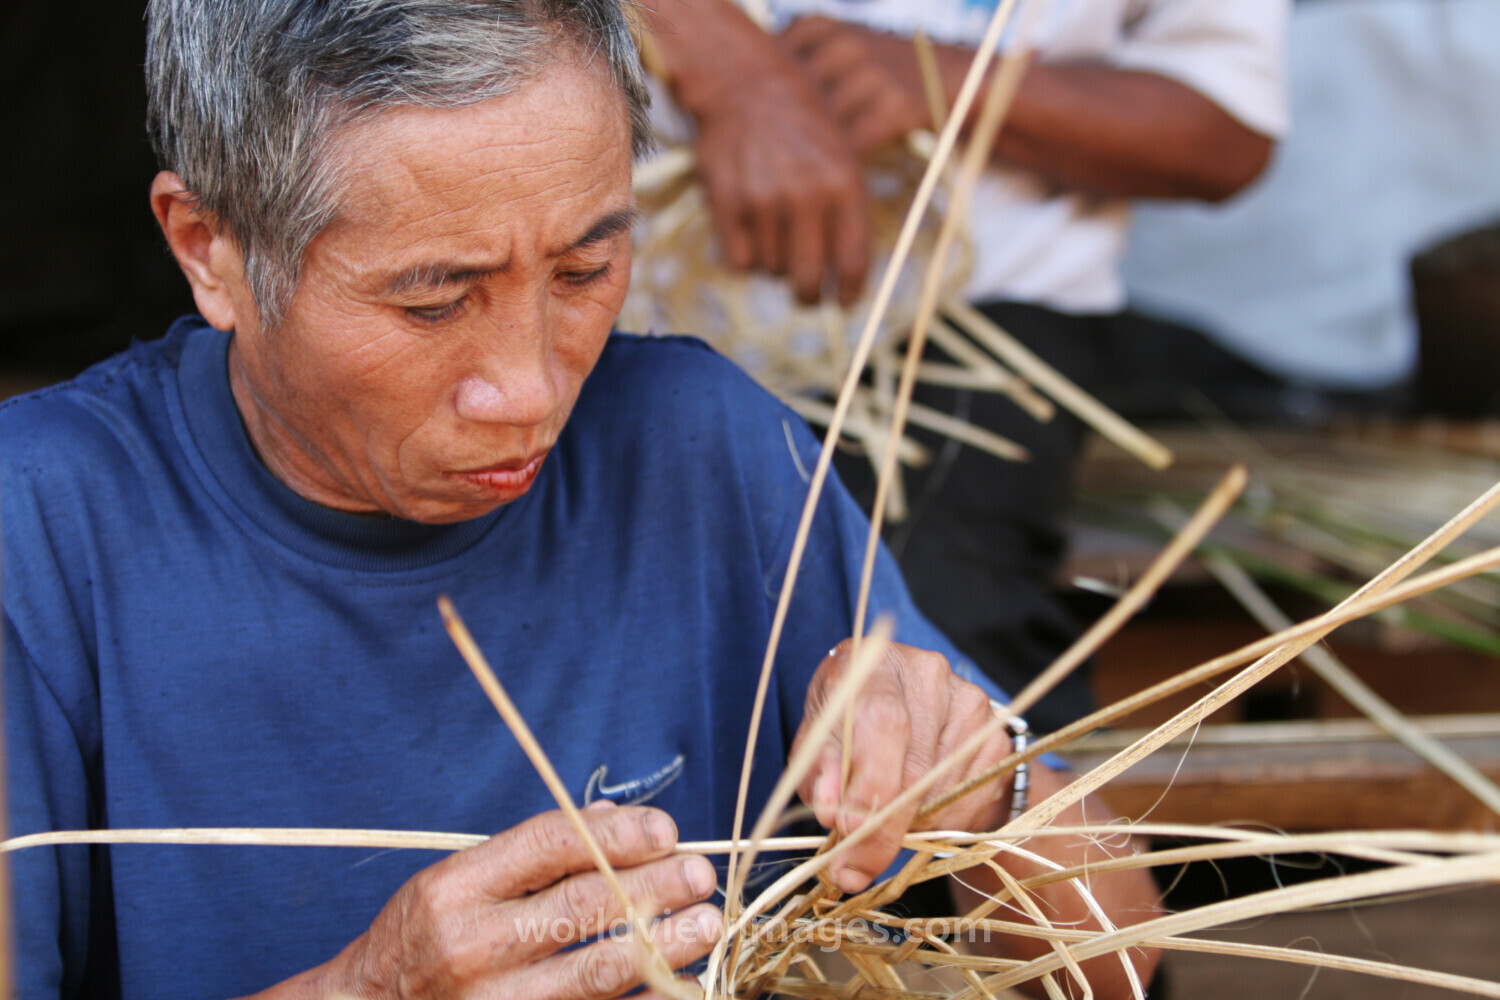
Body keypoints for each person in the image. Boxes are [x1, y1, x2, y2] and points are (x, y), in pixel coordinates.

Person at [0, 1, 1160, 997]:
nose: (532, 387)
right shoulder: (43, 524)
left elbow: (1123, 959)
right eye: (434, 300)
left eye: (584, 272)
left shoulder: (700, 451)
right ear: (211, 249)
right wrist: (367, 986)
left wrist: (988, 790)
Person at [638, 0, 1289, 732]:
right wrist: (718, 57)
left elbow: (1227, 128)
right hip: (628, 287)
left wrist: (951, 80)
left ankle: (996, 827)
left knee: (928, 649)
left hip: (974, 325)